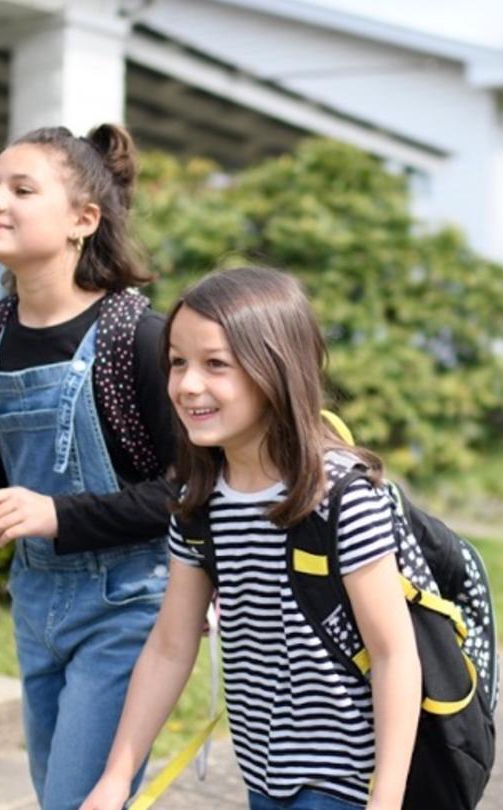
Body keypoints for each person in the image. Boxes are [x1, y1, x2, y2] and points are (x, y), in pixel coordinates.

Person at [81, 267, 422, 810]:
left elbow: (393, 653)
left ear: (275, 371)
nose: (188, 385)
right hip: (263, 779)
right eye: (177, 362)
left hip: (345, 786)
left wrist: (387, 798)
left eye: (217, 364)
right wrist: (117, 778)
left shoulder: (340, 498)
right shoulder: (200, 502)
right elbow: (171, 647)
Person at [0, 124, 177, 809]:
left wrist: (54, 514)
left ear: (83, 219)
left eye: (20, 189)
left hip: (127, 606)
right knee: (60, 796)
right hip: (33, 602)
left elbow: (186, 492)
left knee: (75, 801)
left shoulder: (139, 336)